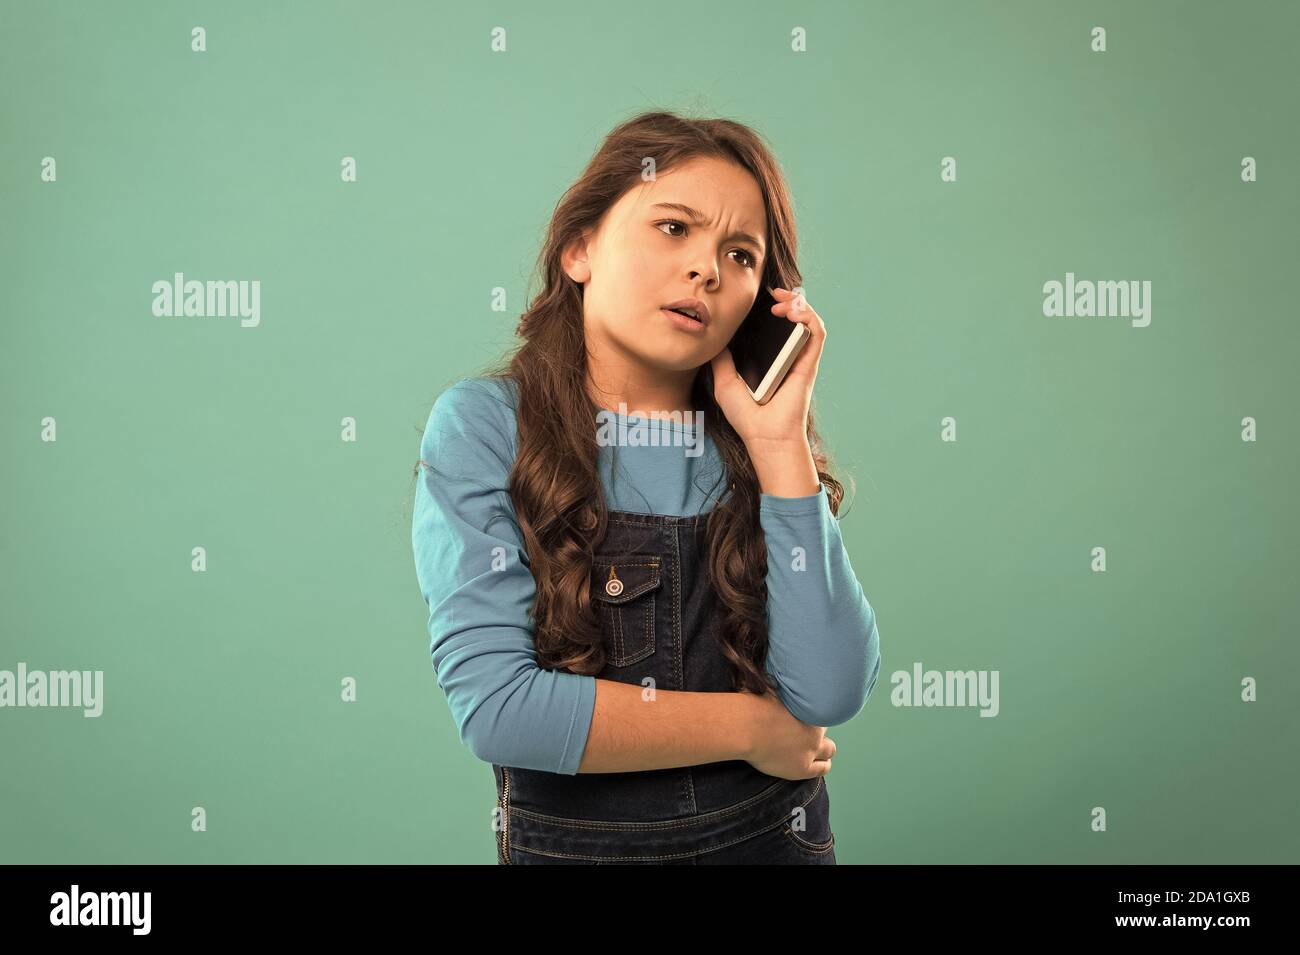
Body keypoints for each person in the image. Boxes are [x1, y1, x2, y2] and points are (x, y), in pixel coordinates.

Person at [411, 110, 881, 864]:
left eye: (740, 254)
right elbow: (500, 709)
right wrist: (751, 728)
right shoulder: (486, 426)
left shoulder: (754, 446)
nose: (707, 270)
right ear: (579, 247)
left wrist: (779, 446)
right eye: (674, 229)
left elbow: (830, 692)